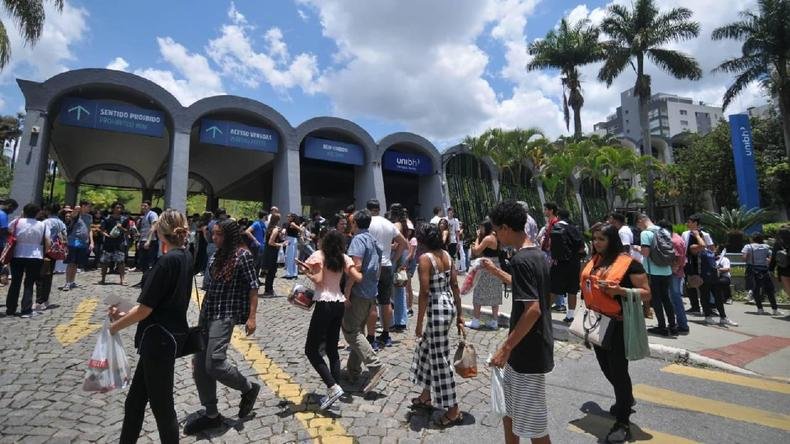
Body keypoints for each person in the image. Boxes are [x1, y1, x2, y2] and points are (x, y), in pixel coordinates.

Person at [107, 209, 193, 443]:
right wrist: (124, 310)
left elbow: (145, 309)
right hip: (165, 338)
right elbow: (163, 302)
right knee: (134, 402)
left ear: (159, 232)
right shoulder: (186, 256)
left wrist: (115, 326)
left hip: (158, 342)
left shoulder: (166, 262)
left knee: (163, 409)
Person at [485, 201, 553, 444]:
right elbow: (529, 289)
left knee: (535, 426)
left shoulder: (521, 260)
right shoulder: (536, 255)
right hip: (528, 349)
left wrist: (506, 347)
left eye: (495, 230)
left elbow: (532, 309)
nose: (495, 235)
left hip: (527, 352)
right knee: (509, 413)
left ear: (505, 228)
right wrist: (497, 273)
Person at [185, 219, 261, 435]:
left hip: (225, 315)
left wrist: (252, 317)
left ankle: (248, 387)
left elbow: (253, 287)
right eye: (213, 233)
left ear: (228, 236)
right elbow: (208, 285)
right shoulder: (215, 255)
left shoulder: (243, 256)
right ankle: (211, 414)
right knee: (200, 367)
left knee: (215, 364)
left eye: (218, 234)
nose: (213, 237)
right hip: (207, 312)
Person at [581, 223, 651, 443]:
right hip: (597, 322)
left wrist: (620, 291)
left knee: (619, 372)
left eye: (602, 239)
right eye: (595, 239)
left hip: (618, 325)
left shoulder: (630, 264)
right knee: (606, 367)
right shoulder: (596, 260)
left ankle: (622, 422)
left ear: (612, 239)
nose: (597, 242)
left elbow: (647, 293)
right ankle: (626, 398)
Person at [409, 223, 465, 427]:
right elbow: (455, 285)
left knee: (440, 359)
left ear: (423, 241)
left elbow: (424, 293)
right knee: (426, 350)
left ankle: (453, 409)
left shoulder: (425, 259)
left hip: (436, 310)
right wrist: (459, 314)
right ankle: (425, 396)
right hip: (448, 305)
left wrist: (418, 323)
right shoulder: (447, 256)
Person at [299, 230, 354, 410]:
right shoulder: (343, 257)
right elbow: (352, 274)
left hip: (324, 303)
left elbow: (319, 280)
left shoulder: (319, 255)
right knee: (332, 349)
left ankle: (332, 386)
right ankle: (334, 393)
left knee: (311, 349)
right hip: (339, 302)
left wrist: (306, 272)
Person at [341, 209, 388, 394]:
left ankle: (375, 365)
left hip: (359, 292)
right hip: (370, 292)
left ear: (354, 224)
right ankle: (353, 372)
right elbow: (378, 267)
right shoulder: (373, 240)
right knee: (358, 331)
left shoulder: (358, 240)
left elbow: (357, 266)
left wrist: (347, 289)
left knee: (351, 331)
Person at [366, 199, 408, 350]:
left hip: (372, 266)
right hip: (387, 266)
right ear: (379, 209)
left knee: (371, 302)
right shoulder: (388, 224)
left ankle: (371, 337)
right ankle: (385, 334)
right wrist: (393, 259)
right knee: (385, 302)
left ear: (368, 209)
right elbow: (404, 244)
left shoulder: (367, 223)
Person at [5, 203, 50, 318]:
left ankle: (10, 308)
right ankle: (26, 309)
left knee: (15, 282)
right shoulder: (42, 225)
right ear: (38, 213)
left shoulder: (16, 222)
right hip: (35, 255)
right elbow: (47, 242)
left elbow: (9, 233)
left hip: (17, 254)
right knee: (29, 283)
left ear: (24, 211)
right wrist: (45, 253)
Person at [636, 214, 677, 336]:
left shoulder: (645, 233)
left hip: (652, 271)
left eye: (638, 225)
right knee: (667, 298)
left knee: (656, 299)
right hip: (667, 270)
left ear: (641, 221)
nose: (639, 228)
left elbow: (646, 253)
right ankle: (673, 326)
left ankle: (662, 327)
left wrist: (638, 249)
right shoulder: (664, 231)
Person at [549, 209, 584, 324]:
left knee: (553, 288)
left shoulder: (555, 227)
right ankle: (570, 316)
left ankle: (544, 311)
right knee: (572, 290)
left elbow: (550, 246)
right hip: (573, 263)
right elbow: (581, 248)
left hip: (558, 263)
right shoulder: (574, 229)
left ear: (558, 216)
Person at [467, 218, 502, 330]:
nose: (479, 229)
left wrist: (477, 238)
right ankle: (494, 321)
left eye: (481, 227)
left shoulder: (487, 238)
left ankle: (476, 320)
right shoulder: (496, 236)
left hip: (486, 266)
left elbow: (476, 251)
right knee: (494, 293)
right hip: (495, 264)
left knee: (478, 292)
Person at [657, 220, 689, 334]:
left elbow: (678, 259)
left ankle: (682, 324)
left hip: (674, 274)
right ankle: (678, 323)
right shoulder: (676, 238)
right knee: (673, 298)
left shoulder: (674, 241)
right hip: (675, 273)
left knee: (675, 299)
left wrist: (672, 269)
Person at [35, 203, 67, 310]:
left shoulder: (45, 222)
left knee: (40, 276)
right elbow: (65, 237)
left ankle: (40, 301)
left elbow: (41, 236)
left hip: (45, 251)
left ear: (47, 211)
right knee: (49, 276)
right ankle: (46, 299)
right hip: (55, 252)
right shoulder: (61, 223)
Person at [681, 215, 714, 315]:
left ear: (695, 223)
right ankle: (694, 306)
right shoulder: (685, 234)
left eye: (690, 222)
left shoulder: (704, 234)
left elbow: (711, 248)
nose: (687, 224)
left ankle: (708, 307)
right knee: (689, 285)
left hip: (701, 263)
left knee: (703, 286)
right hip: (689, 262)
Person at [743, 233, 781, 315]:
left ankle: (760, 309)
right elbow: (771, 257)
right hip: (764, 270)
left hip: (753, 269)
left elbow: (744, 258)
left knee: (756, 290)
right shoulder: (766, 247)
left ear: (752, 239)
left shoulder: (748, 246)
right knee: (769, 290)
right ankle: (775, 309)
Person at [99, 202, 131, 286]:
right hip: (108, 242)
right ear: (113, 208)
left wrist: (121, 227)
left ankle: (122, 279)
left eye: (120, 207)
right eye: (117, 207)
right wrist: (107, 235)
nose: (119, 209)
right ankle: (103, 279)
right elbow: (101, 230)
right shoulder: (107, 219)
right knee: (105, 262)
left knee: (121, 262)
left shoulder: (125, 219)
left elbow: (127, 232)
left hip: (119, 243)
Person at [260, 213, 286, 297]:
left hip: (269, 251)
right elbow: (271, 242)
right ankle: (268, 290)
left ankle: (269, 289)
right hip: (272, 252)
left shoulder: (269, 228)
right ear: (277, 220)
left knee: (270, 272)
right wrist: (281, 244)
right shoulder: (275, 229)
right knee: (271, 272)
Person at [135, 201, 159, 276]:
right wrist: (139, 241)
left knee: (150, 262)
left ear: (149, 206)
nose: (143, 207)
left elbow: (153, 227)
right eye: (142, 206)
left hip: (151, 241)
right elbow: (143, 230)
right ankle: (145, 278)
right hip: (143, 240)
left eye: (145, 206)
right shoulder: (144, 216)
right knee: (143, 262)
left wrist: (148, 241)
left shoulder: (152, 214)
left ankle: (151, 279)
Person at [0, 198, 19, 286]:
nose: (12, 212)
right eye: (13, 209)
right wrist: (12, 233)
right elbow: (3, 229)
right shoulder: (3, 214)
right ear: (9, 206)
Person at [244, 210, 268, 280]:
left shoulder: (263, 224)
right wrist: (255, 240)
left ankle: (256, 279)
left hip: (262, 247)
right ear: (264, 216)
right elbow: (247, 231)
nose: (267, 217)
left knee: (259, 265)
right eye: (267, 216)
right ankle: (250, 280)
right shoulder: (256, 223)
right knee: (255, 264)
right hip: (256, 247)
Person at [770, 228, 790, 305]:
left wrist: (771, 269)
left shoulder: (778, 243)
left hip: (784, 269)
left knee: (788, 288)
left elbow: (774, 257)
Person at [283, 213, 301, 279]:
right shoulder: (290, 223)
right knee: (293, 257)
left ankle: (289, 274)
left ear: (292, 217)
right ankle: (294, 273)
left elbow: (300, 229)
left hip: (291, 240)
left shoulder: (292, 223)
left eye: (289, 216)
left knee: (290, 257)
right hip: (292, 239)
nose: (288, 217)